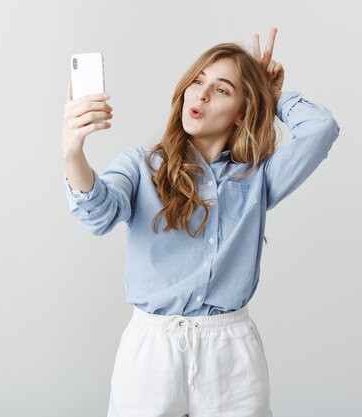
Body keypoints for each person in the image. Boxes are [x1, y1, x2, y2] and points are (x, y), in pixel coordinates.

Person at [61, 28, 341, 417]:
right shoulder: (141, 166)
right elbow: (99, 214)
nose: (202, 95)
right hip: (151, 351)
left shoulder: (257, 178)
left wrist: (274, 98)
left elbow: (321, 128)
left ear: (243, 111)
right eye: (197, 80)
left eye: (222, 89)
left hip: (231, 352)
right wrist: (73, 151)